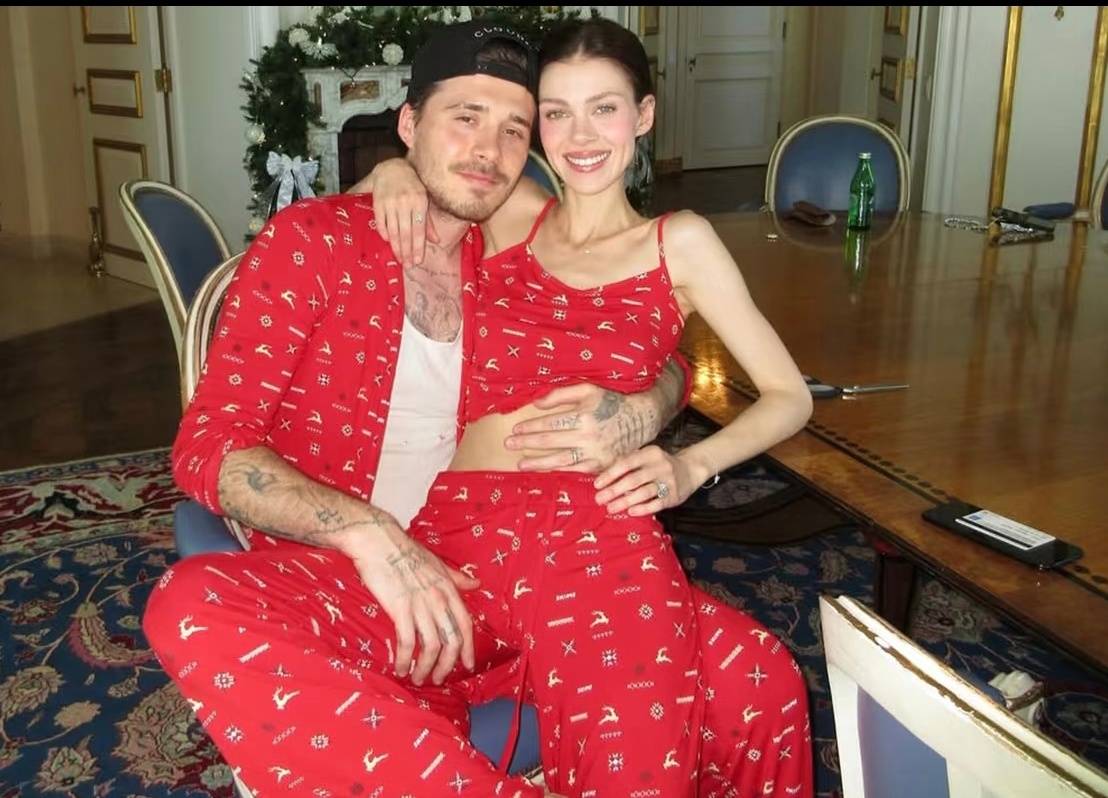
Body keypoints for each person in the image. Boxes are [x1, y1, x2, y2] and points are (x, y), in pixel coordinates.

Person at [144, 21, 687, 798]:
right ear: (408, 125)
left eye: (514, 129)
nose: (488, 150)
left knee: (755, 675)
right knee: (189, 604)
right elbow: (207, 446)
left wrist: (651, 402)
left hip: (515, 573)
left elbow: (653, 341)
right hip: (347, 591)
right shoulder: (313, 244)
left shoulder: (516, 256)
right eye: (464, 117)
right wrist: (369, 535)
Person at [357, 17, 818, 798]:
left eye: (604, 109)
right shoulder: (515, 211)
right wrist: (393, 169)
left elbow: (790, 396)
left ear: (643, 115)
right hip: (471, 521)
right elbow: (427, 166)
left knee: (761, 681)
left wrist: (689, 466)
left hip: (597, 527)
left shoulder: (680, 242)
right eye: (557, 112)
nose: (580, 136)